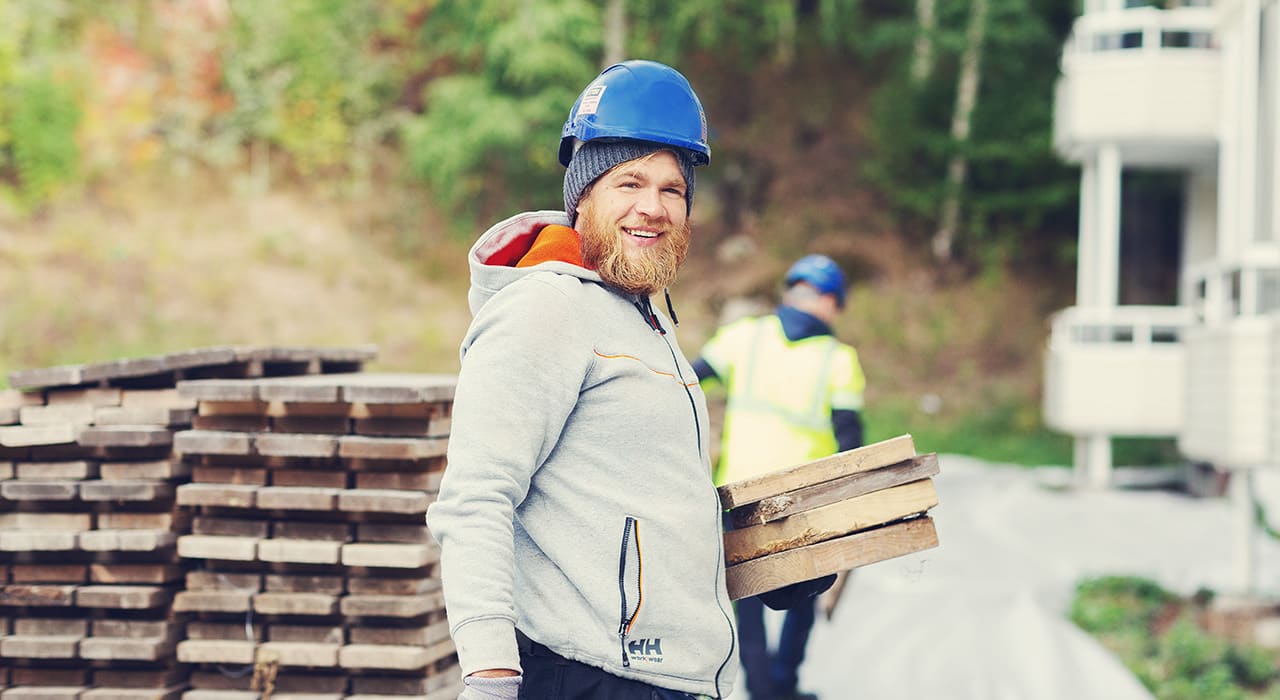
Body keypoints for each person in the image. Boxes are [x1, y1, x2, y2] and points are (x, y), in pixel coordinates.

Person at [425, 60, 739, 700]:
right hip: (590, 677)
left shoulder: (644, 317)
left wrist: (773, 560)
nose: (652, 207)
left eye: (672, 189)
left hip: (671, 680)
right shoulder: (546, 309)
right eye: (629, 182)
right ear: (584, 193)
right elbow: (477, 495)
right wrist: (488, 674)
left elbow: (643, 509)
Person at [692, 254, 866, 700]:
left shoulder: (744, 337)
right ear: (831, 303)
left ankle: (762, 689)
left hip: (742, 491)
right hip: (806, 498)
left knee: (747, 596)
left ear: (791, 291)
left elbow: (688, 383)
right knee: (806, 590)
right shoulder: (839, 360)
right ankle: (784, 684)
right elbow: (850, 440)